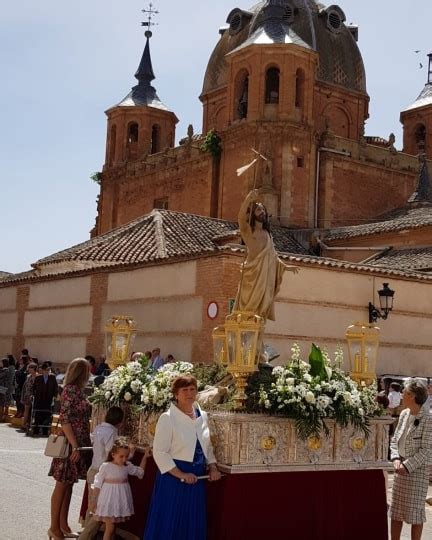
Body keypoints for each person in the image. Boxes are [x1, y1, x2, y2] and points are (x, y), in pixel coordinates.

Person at [143, 375, 221, 540]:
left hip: (196, 478)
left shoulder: (203, 416)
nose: (189, 393)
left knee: (191, 523)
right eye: (184, 390)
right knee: (170, 522)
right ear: (176, 394)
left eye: (192, 389)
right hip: (174, 479)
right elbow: (160, 452)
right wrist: (181, 474)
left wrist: (213, 467)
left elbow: (207, 446)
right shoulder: (167, 418)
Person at [233, 189, 298, 321]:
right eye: (258, 210)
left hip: (264, 277)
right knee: (246, 312)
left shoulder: (267, 234)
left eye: (263, 210)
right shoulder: (248, 231)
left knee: (259, 313)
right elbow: (240, 218)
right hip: (252, 274)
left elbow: (272, 257)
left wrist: (286, 267)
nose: (262, 212)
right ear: (252, 214)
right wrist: (248, 199)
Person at [48, 358, 92, 540]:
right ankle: (53, 528)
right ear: (81, 372)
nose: (90, 374)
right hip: (70, 445)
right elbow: (64, 420)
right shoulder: (70, 391)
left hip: (77, 444)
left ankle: (63, 525)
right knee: (61, 485)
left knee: (69, 484)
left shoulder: (76, 390)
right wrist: (75, 446)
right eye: (88, 371)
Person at [389, 378, 432, 540]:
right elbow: (394, 439)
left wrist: (406, 466)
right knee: (396, 512)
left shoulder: (428, 419)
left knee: (415, 513)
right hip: (400, 469)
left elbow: (427, 450)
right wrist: (395, 459)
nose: (401, 394)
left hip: (417, 472)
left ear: (412, 395)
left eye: (404, 392)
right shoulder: (404, 414)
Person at [79, 406, 126, 540]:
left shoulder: (99, 427)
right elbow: (111, 453)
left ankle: (86, 534)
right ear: (119, 421)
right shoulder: (112, 432)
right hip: (103, 472)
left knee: (92, 506)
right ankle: (85, 537)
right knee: (98, 510)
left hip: (93, 468)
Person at [90, 437, 151, 540]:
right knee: (110, 528)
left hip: (119, 501)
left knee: (113, 529)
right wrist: (93, 501)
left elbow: (140, 472)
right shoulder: (106, 466)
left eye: (126, 456)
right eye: (121, 456)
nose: (124, 459)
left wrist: (145, 457)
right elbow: (97, 484)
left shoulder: (126, 466)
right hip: (108, 501)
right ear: (113, 454)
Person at [33, 361, 58, 436]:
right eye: (46, 370)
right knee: (38, 415)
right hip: (39, 399)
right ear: (43, 370)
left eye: (48, 370)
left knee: (47, 415)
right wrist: (33, 395)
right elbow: (34, 388)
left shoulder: (52, 377)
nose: (47, 371)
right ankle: (36, 431)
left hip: (48, 399)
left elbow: (55, 387)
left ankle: (45, 431)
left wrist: (55, 396)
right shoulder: (38, 378)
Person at [21, 362, 38, 428]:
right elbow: (25, 386)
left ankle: (30, 424)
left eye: (30, 368)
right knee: (26, 409)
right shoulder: (28, 376)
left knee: (33, 411)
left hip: (34, 396)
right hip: (27, 395)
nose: (29, 369)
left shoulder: (37, 376)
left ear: (34, 368)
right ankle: (24, 424)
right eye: (29, 368)